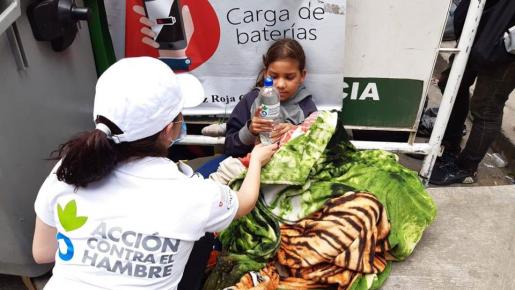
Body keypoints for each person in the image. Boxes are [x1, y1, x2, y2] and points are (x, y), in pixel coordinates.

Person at [32, 57, 278, 289]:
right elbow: (244, 203)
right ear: (169, 129)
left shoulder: (69, 167)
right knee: (202, 238)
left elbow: (42, 253)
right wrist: (255, 160)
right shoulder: (192, 193)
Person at [430, 0, 515, 185]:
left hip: (506, 46)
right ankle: (450, 143)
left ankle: (466, 167)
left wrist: (508, 45)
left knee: (487, 107)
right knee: (451, 82)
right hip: (480, 27)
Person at [224, 38, 318, 157]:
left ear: (302, 76)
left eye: (289, 77)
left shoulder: (307, 106)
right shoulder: (251, 100)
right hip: (250, 170)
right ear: (265, 73)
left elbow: (317, 148)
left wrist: (297, 131)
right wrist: (250, 130)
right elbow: (229, 147)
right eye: (273, 76)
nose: (280, 85)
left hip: (290, 172)